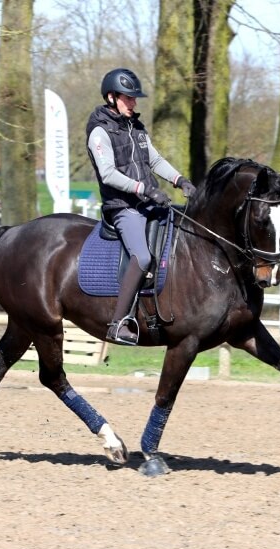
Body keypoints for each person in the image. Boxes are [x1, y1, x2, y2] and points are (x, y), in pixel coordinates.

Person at [86, 67, 197, 346]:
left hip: (146, 201)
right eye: (128, 98)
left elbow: (155, 161)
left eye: (134, 99)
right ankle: (119, 322)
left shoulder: (136, 127)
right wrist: (144, 189)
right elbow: (108, 173)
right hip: (123, 207)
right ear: (111, 97)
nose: (133, 103)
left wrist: (179, 180)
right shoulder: (100, 131)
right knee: (143, 257)